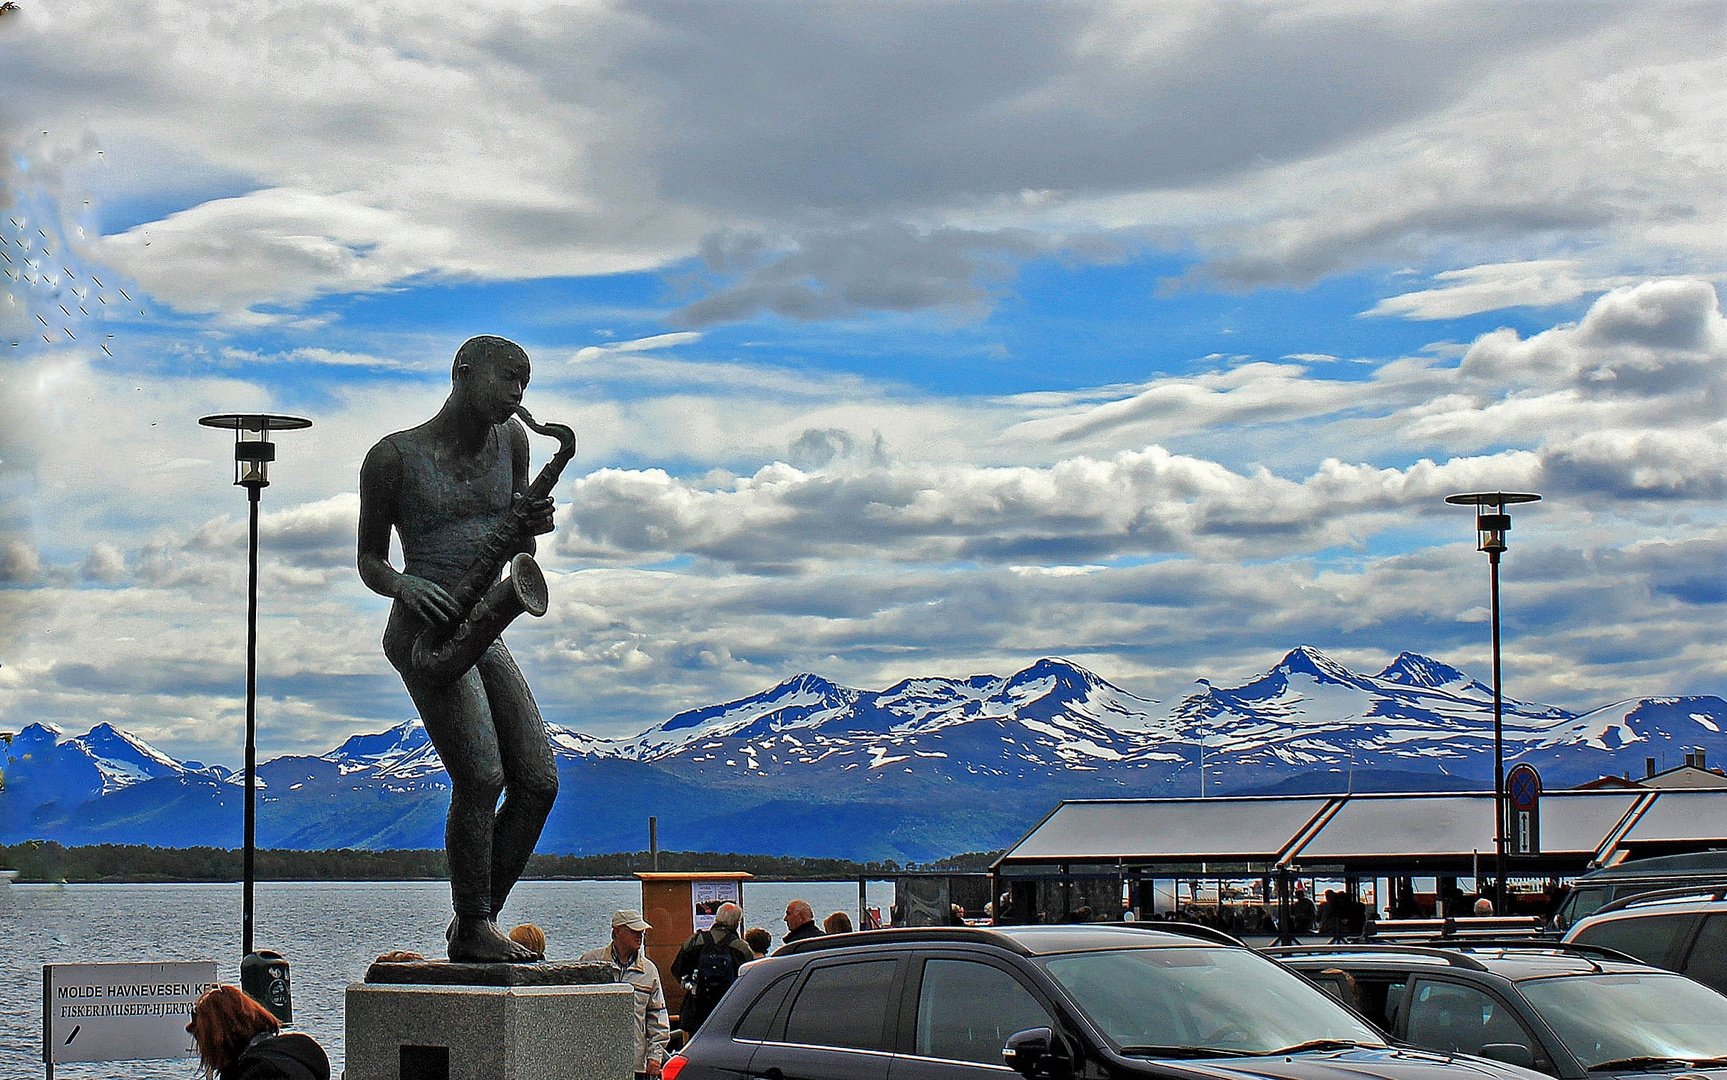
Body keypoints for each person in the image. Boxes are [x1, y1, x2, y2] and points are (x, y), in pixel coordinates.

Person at [358, 335, 560, 964]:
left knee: (538, 781)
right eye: (508, 381)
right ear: (463, 373)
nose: (518, 396)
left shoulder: (516, 444)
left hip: (481, 621)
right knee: (481, 775)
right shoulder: (394, 457)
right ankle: (473, 922)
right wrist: (405, 584)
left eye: (524, 385)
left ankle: (474, 924)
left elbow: (518, 545)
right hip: (427, 633)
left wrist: (531, 528)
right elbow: (369, 561)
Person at [580, 910, 669, 1080]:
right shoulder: (590, 962)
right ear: (617, 932)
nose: (640, 936)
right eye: (634, 931)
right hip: (596, 1060)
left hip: (635, 1063)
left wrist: (655, 1057)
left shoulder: (649, 971)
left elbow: (657, 1016)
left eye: (641, 932)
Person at [186, 985, 330, 1080]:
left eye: (204, 1042)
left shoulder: (256, 1072)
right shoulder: (301, 1048)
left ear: (219, 1040)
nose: (204, 1052)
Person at [670, 902, 754, 1036]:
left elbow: (677, 969)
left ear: (717, 918)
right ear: (737, 923)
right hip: (728, 1013)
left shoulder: (695, 941)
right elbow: (750, 982)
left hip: (696, 1012)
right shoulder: (741, 948)